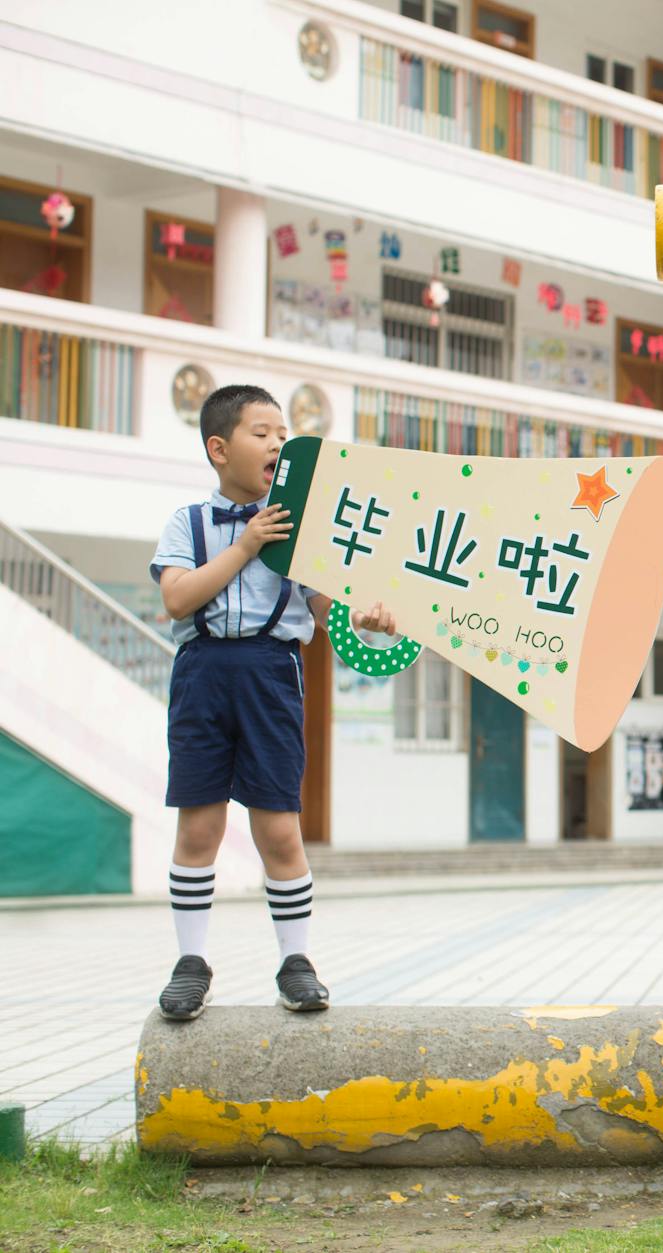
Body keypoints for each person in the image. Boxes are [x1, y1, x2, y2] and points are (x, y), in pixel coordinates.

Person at [150, 384, 395, 1021]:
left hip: (271, 675)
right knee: (199, 827)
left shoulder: (303, 529)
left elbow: (328, 611)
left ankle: (296, 961)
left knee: (279, 830)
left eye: (282, 433)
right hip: (202, 675)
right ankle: (191, 963)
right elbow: (178, 600)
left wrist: (368, 615)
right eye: (262, 432)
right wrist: (247, 543)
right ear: (218, 448)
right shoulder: (189, 523)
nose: (278, 443)